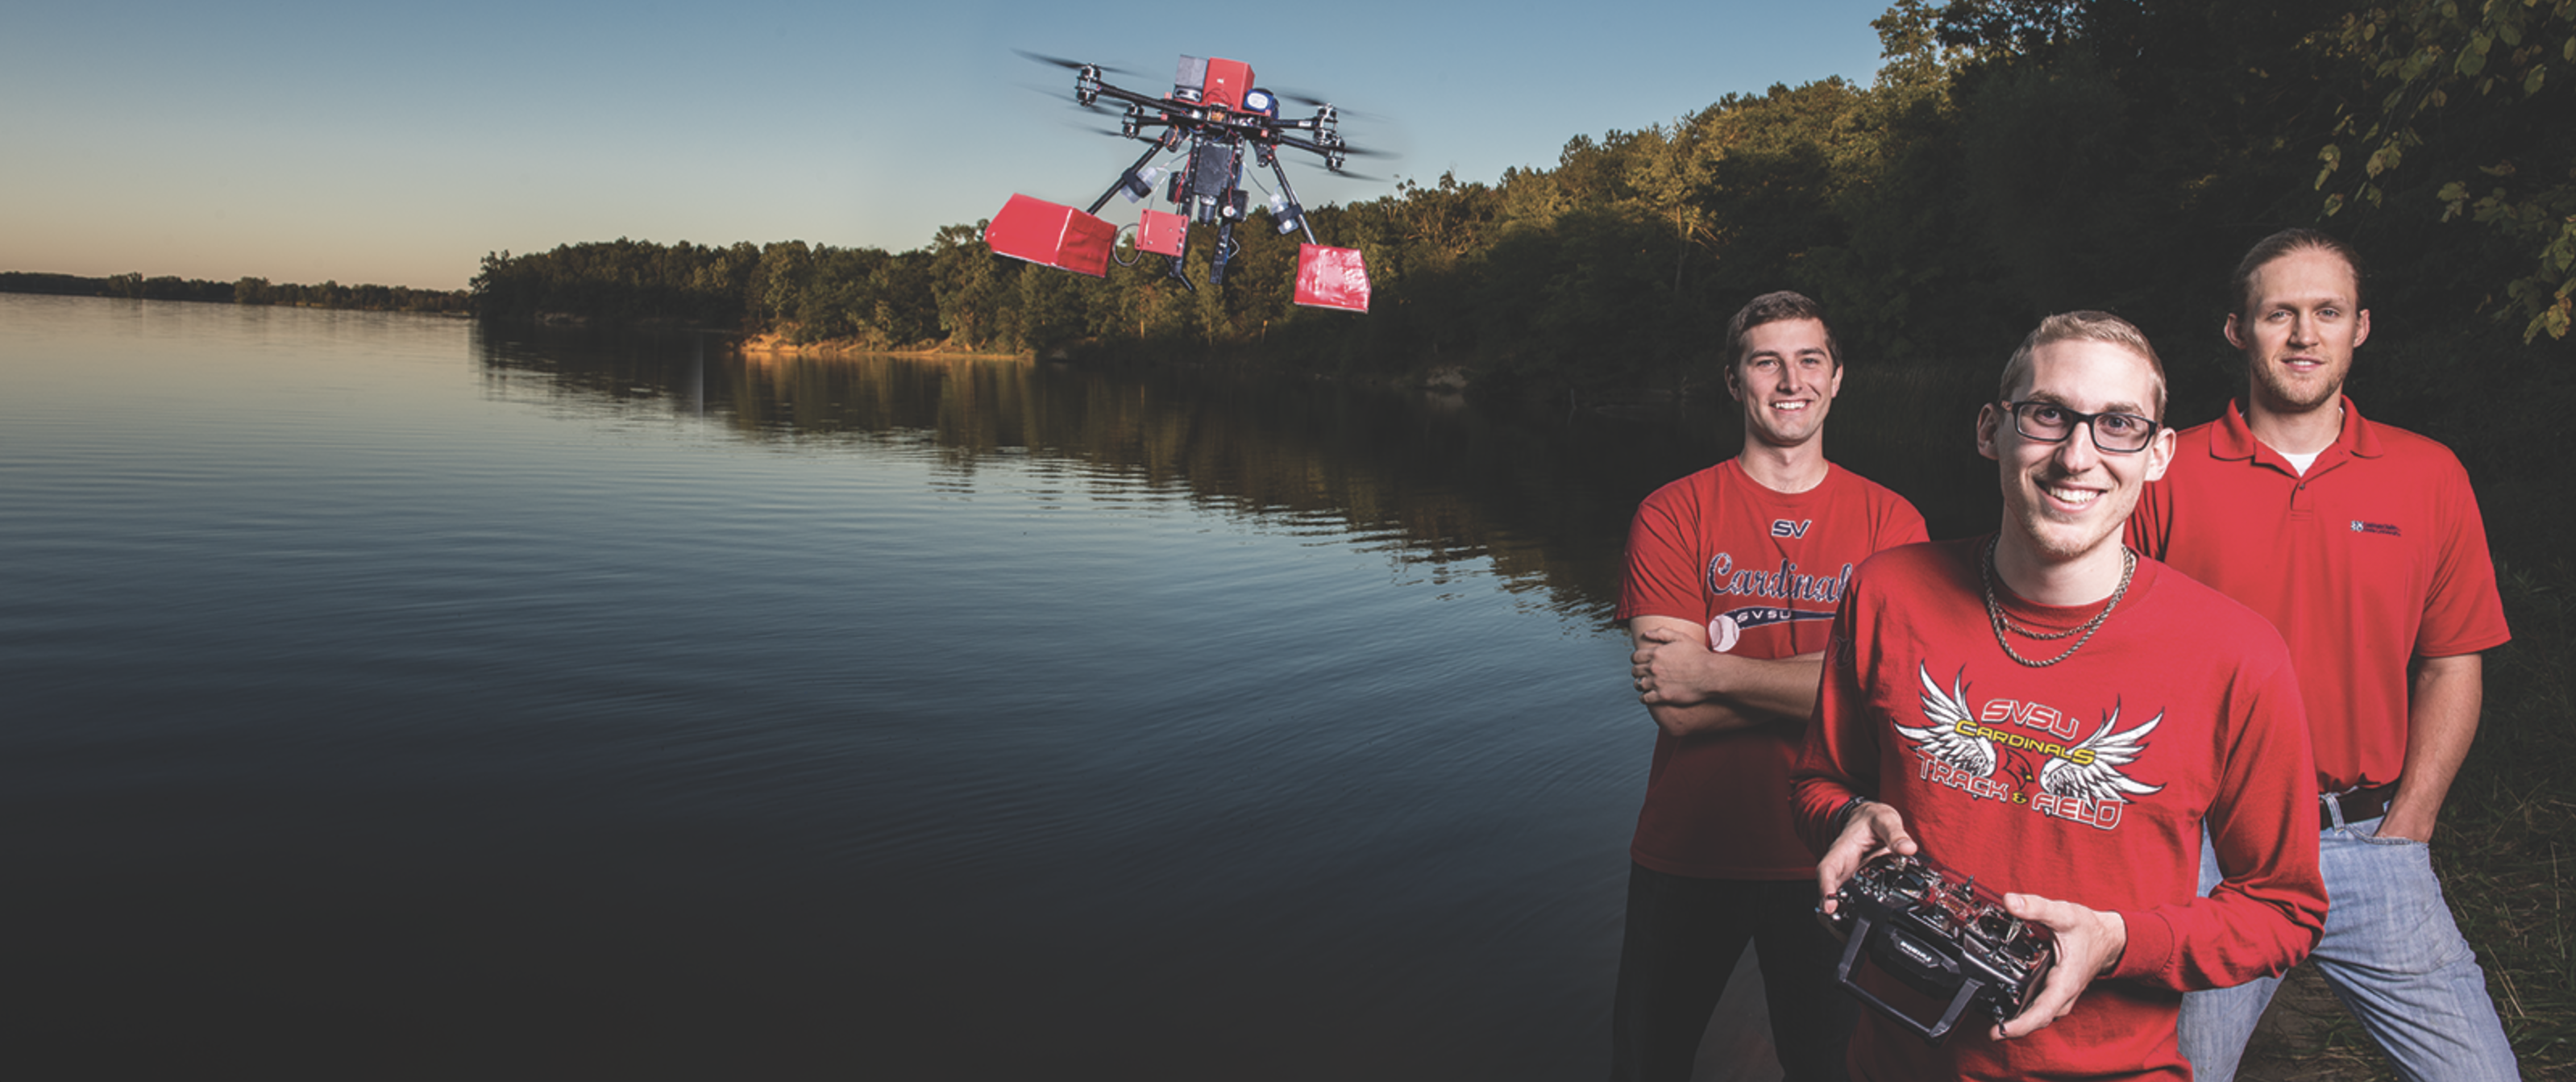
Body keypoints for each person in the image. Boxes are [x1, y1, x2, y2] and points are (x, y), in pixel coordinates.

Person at [1791, 311, 2328, 1080]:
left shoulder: (2238, 655)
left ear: (2159, 454)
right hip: (1891, 1060)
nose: (2077, 457)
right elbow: (1815, 783)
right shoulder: (1887, 592)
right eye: (2048, 415)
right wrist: (1848, 819)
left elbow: (2284, 911)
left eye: (2118, 425)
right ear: (1991, 429)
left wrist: (2120, 941)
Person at [2133, 229, 2520, 1081]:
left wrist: (2410, 823)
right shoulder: (2166, 470)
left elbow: (2452, 659)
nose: (2304, 334)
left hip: (2369, 841)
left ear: (2359, 328)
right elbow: (2111, 657)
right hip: (2211, 852)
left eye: (2327, 312)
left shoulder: (2427, 475)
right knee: (2171, 1074)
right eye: (2280, 313)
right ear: (2239, 330)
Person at [1610, 291, 1925, 1082]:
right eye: (1766, 361)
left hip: (1839, 857)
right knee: (1646, 1064)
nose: (1790, 380)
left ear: (1838, 377)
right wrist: (1836, 683)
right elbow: (1673, 710)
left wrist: (1712, 671)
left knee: (1826, 1068)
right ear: (1732, 380)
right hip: (1690, 849)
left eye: (1809, 359)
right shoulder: (1672, 511)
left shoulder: (1892, 522)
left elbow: (1888, 697)